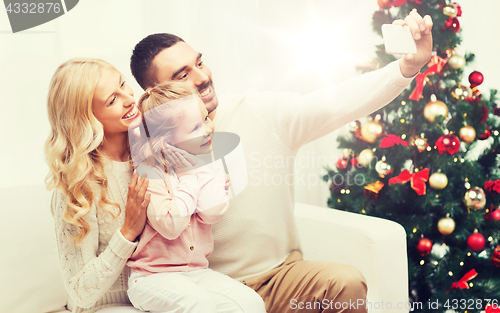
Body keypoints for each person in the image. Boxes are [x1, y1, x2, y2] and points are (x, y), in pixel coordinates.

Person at [129, 12, 434, 313]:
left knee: (346, 283)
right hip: (207, 287)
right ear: (156, 94)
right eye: (182, 75)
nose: (202, 76)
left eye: (199, 62)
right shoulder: (150, 151)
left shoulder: (259, 111)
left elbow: (336, 104)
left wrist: (406, 67)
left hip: (282, 278)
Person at [125, 81, 267, 312]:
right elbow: (171, 226)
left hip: (196, 272)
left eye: (206, 119)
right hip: (152, 277)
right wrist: (189, 178)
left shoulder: (207, 165)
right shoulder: (150, 173)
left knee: (251, 303)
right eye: (195, 128)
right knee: (198, 304)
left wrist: (200, 171)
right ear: (167, 141)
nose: (208, 129)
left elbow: (212, 213)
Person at [45, 58, 152, 313]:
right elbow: (80, 291)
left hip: (156, 294)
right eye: (112, 100)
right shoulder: (77, 185)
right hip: (106, 307)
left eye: (123, 84)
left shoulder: (150, 150)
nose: (128, 98)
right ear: (86, 119)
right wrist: (127, 232)